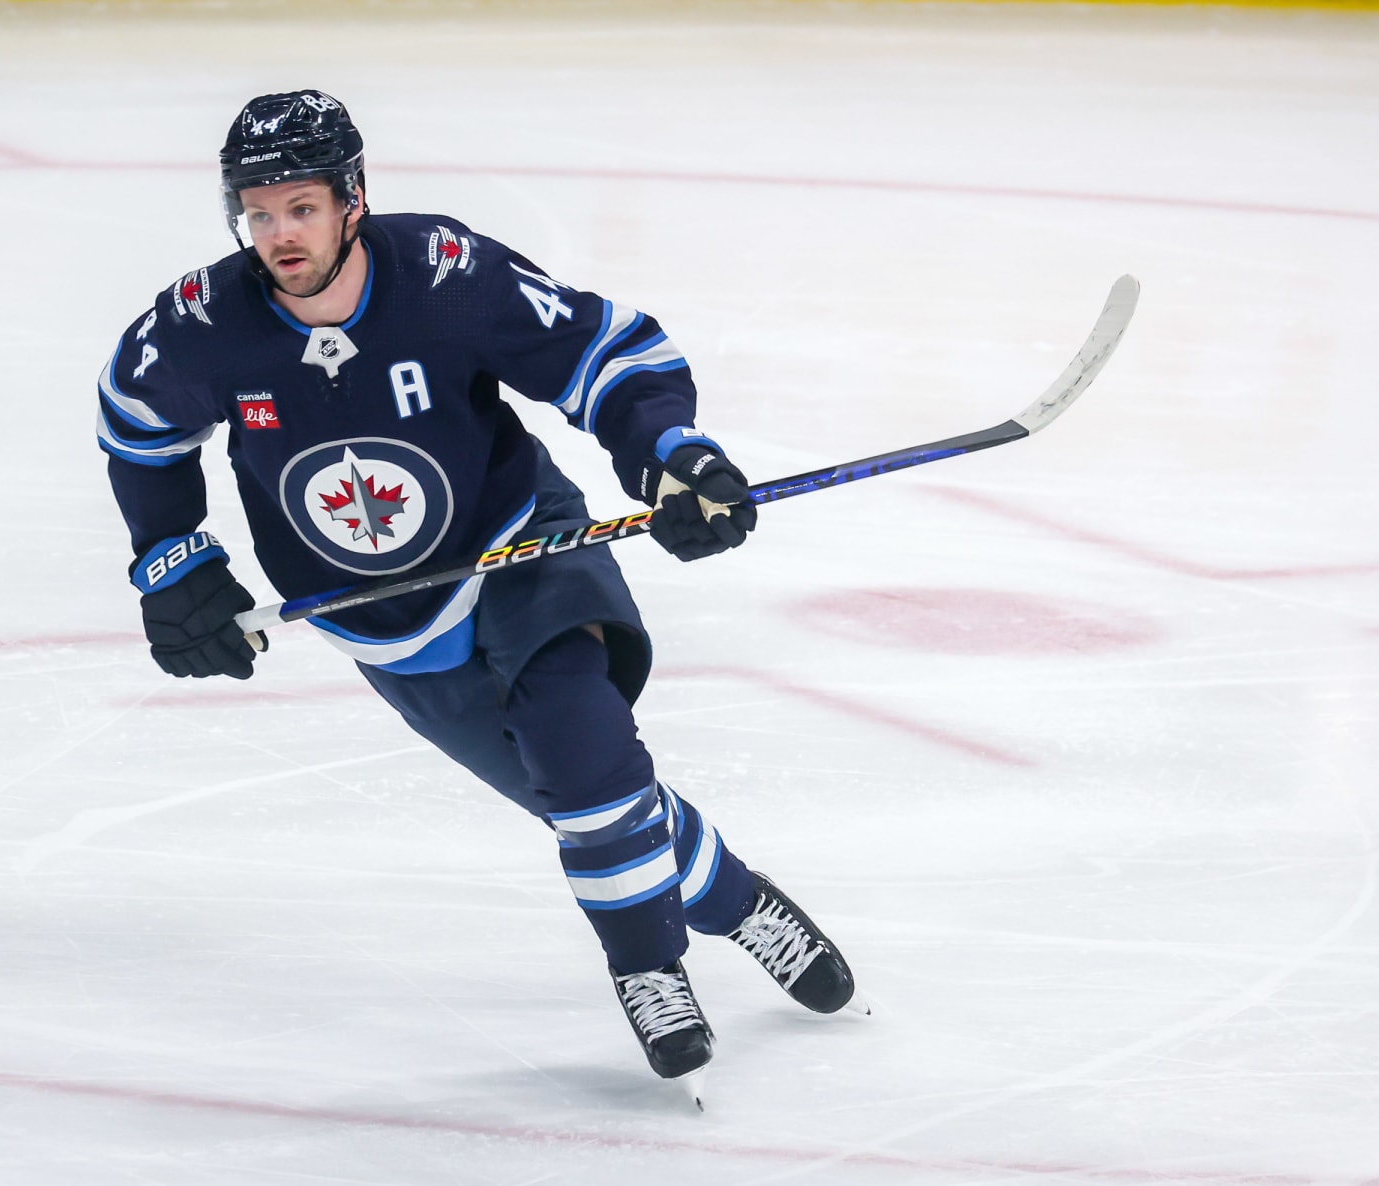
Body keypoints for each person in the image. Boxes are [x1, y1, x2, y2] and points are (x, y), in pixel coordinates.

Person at [96, 89, 862, 1099]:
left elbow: (606, 351)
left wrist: (671, 453)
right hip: (377, 614)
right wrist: (174, 561)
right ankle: (730, 896)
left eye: (302, 208)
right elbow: (135, 425)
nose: (278, 233)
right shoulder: (203, 328)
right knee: (587, 803)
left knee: (581, 745)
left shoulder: (446, 276)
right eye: (259, 210)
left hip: (518, 540)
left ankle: (646, 965)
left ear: (352, 200)